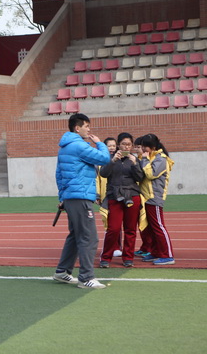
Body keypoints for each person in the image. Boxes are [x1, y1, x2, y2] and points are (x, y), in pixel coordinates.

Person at [53, 113, 110, 289]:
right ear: (77, 128)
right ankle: (86, 277)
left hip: (72, 197)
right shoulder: (79, 146)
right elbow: (104, 158)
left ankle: (62, 271)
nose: (89, 129)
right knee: (89, 237)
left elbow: (59, 175)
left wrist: (63, 197)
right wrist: (100, 143)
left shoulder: (64, 147)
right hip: (81, 197)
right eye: (86, 126)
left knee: (75, 235)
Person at [99, 133, 143, 268]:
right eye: (124, 144)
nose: (126, 147)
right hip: (115, 196)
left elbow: (140, 178)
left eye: (129, 144)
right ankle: (106, 257)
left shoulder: (134, 159)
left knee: (130, 229)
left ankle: (128, 258)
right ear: (118, 145)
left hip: (132, 196)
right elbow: (103, 174)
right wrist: (113, 161)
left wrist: (135, 164)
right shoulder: (110, 158)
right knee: (113, 229)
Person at [139, 134, 175, 265]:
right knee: (151, 228)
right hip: (146, 197)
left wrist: (144, 159)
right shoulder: (151, 157)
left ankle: (168, 255)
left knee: (158, 226)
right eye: (142, 146)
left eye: (145, 146)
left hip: (154, 197)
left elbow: (150, 174)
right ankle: (155, 252)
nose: (143, 149)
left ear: (153, 147)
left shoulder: (161, 159)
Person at [132, 136, 153, 258]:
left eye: (139, 147)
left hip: (147, 196)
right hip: (138, 194)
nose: (137, 149)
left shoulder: (146, 160)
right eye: (135, 147)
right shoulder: (136, 159)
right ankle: (145, 246)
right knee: (141, 223)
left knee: (147, 224)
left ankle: (150, 247)